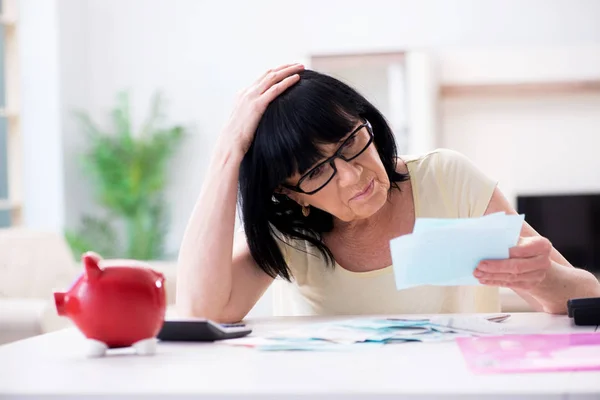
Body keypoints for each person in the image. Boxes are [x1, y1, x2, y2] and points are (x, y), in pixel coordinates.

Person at [176, 63, 600, 323]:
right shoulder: (288, 233)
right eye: (317, 171)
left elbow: (587, 299)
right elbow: (201, 310)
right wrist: (227, 151)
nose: (350, 175)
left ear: (369, 125)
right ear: (293, 196)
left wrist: (544, 278)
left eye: (349, 143)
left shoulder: (447, 178)